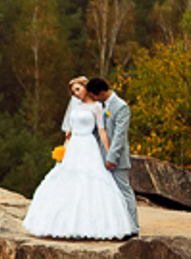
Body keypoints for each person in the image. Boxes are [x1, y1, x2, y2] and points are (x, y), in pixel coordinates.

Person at [22, 77, 134, 240]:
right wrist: (64, 148)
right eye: (73, 92)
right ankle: (64, 224)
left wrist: (110, 153)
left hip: (88, 146)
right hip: (74, 145)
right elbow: (70, 130)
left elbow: (102, 131)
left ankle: (96, 225)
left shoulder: (97, 107)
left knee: (90, 183)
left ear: (86, 88)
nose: (75, 94)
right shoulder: (76, 107)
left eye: (77, 89)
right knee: (66, 181)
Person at [86, 76, 139, 236]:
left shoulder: (121, 107)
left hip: (116, 159)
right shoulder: (100, 105)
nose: (92, 98)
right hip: (100, 157)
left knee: (124, 191)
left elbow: (119, 135)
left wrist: (112, 157)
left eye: (94, 95)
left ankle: (133, 227)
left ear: (101, 92)